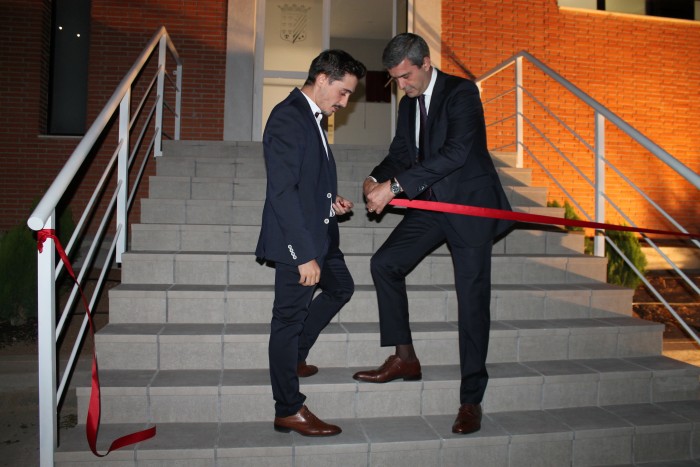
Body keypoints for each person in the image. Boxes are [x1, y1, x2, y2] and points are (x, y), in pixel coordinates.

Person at [353, 33, 513, 435]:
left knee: (471, 304)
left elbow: (457, 152)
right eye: (395, 80)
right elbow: (402, 153)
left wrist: (395, 187)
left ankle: (471, 399)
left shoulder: (461, 93)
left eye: (406, 77)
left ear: (425, 62)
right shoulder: (408, 107)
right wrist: (376, 177)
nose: (402, 87)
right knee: (385, 263)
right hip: (433, 207)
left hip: (469, 208)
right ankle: (404, 357)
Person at [255, 49, 366, 437]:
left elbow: (305, 180)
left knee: (342, 288)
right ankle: (288, 407)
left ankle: (296, 356)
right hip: (298, 242)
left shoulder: (312, 117)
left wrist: (329, 202)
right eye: (343, 92)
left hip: (320, 232)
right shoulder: (289, 117)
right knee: (287, 320)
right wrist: (303, 256)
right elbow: (282, 192)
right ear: (321, 78)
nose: (345, 101)